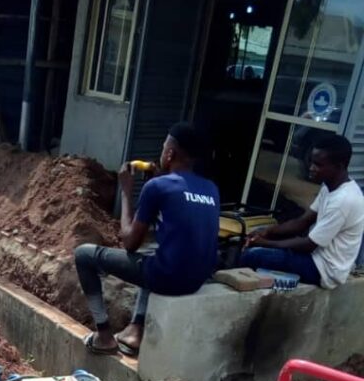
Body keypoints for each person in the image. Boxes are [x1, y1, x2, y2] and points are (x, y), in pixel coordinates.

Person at [74, 122, 220, 357]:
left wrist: (125, 191)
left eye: (163, 148)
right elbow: (179, 209)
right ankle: (136, 329)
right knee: (155, 253)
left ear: (170, 154)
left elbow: (130, 243)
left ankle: (104, 336)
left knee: (83, 255)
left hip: (168, 279)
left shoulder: (157, 187)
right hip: (197, 279)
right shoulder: (211, 188)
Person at [241, 134, 364, 289]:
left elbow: (309, 244)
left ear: (339, 167)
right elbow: (302, 222)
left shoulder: (344, 201)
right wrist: (267, 231)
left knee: (252, 256)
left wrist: (266, 243)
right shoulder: (329, 187)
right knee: (256, 244)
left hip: (324, 270)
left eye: (318, 165)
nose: (311, 168)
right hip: (315, 256)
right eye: (311, 162)